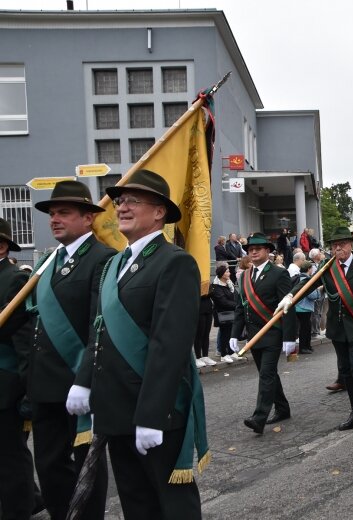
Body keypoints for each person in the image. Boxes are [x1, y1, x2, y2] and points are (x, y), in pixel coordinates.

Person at [69, 169, 207, 519]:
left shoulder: (174, 262)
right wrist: (84, 381)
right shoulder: (114, 265)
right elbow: (98, 330)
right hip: (115, 406)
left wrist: (151, 415)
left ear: (159, 211)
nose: (122, 208)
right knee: (136, 505)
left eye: (132, 201)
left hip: (155, 411)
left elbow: (169, 344)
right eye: (119, 201)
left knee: (174, 506)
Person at [27, 180, 112, 520]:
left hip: (79, 384)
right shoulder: (47, 263)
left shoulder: (103, 259)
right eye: (52, 213)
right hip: (44, 385)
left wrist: (86, 379)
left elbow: (100, 325)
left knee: (86, 469)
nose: (54, 219)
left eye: (64, 212)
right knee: (48, 466)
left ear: (88, 218)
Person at [280, 226, 353, 434]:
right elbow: (309, 284)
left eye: (342, 244)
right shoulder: (328, 266)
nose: (338, 248)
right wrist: (290, 296)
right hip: (338, 328)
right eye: (334, 245)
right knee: (346, 370)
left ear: (351, 245)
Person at [229, 233, 297, 436]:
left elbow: (287, 306)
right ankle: (283, 408)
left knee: (266, 374)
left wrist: (289, 337)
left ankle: (259, 418)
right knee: (268, 375)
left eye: (258, 249)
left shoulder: (278, 273)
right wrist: (234, 334)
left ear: (268, 251)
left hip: (272, 334)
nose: (254, 252)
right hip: (253, 335)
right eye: (250, 250)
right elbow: (241, 308)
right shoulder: (244, 277)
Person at [0, 217, 36, 519]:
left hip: (5, 384)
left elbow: (25, 339)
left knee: (10, 455)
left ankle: (19, 510)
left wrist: (27, 390)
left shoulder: (14, 279)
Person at [210, 264, 237, 363]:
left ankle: (231, 352)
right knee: (224, 334)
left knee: (231, 333)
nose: (229, 273)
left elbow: (235, 296)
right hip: (222, 314)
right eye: (227, 271)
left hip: (231, 312)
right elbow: (222, 301)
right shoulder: (216, 286)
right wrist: (236, 305)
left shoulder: (229, 284)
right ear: (222, 274)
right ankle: (223, 354)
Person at [293, 261, 319, 355]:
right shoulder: (307, 280)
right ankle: (304, 347)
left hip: (297, 306)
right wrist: (318, 292)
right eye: (311, 268)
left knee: (305, 327)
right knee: (305, 328)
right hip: (304, 307)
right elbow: (311, 295)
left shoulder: (297, 278)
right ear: (308, 269)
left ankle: (307, 346)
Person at [193, 291, 215, 368]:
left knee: (206, 334)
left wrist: (208, 292)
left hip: (208, 308)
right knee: (199, 334)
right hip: (199, 308)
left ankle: (205, 356)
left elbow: (212, 293)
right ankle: (198, 357)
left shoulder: (206, 279)